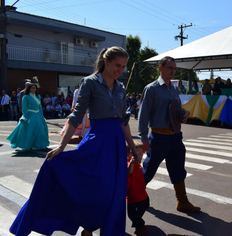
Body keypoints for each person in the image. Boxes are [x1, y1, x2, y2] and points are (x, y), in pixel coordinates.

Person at [9, 46, 138, 236]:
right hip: (97, 143)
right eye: (117, 65)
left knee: (114, 193)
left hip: (116, 145)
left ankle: (99, 230)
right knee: (92, 190)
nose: (120, 70)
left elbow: (124, 121)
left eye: (123, 67)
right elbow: (76, 116)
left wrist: (132, 147)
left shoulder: (120, 88)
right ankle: (87, 227)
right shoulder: (89, 83)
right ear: (106, 62)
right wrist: (61, 146)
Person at [138, 56, 200, 213]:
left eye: (174, 68)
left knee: (178, 169)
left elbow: (176, 109)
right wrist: (144, 138)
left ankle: (182, 201)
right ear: (160, 68)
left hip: (175, 136)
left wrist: (184, 113)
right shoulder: (151, 88)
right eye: (169, 68)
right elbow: (143, 115)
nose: (172, 71)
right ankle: (134, 196)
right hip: (158, 137)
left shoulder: (174, 88)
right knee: (148, 171)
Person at [7, 83, 49, 150]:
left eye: (35, 88)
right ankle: (29, 145)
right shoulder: (26, 97)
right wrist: (24, 116)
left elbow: (40, 108)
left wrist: (42, 116)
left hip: (38, 115)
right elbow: (24, 108)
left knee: (41, 129)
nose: (34, 89)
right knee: (30, 131)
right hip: (30, 115)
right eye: (32, 88)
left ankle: (42, 145)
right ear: (29, 89)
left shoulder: (37, 97)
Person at [127, 141, 150, 234]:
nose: (140, 155)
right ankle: (139, 226)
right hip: (134, 196)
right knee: (134, 214)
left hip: (142, 193)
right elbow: (129, 171)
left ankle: (138, 221)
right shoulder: (129, 163)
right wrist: (132, 163)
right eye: (137, 153)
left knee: (145, 205)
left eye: (141, 153)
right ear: (129, 154)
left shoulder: (138, 163)